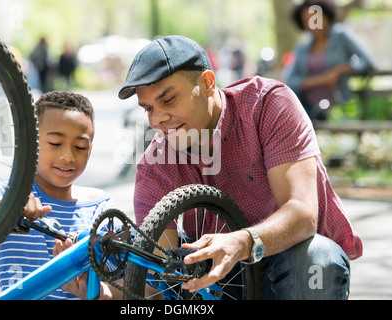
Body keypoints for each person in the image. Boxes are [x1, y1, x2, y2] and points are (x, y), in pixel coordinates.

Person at [118, 35, 362, 299]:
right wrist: (102, 292)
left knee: (318, 258)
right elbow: (160, 278)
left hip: (295, 262)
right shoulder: (155, 163)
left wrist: (243, 242)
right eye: (148, 108)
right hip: (222, 280)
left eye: (168, 100)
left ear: (208, 83)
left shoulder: (268, 104)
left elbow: (303, 213)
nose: (157, 120)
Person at [0, 91, 118, 300]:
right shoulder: (10, 194)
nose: (68, 156)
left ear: (90, 150)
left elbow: (129, 287)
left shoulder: (100, 208)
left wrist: (99, 294)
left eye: (80, 147)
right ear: (31, 144)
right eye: (55, 143)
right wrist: (7, 208)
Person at [283, 0, 375, 121]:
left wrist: (342, 69)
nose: (313, 23)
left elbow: (367, 61)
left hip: (337, 106)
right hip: (305, 108)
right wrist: (323, 80)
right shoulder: (302, 48)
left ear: (326, 15)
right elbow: (289, 80)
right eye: (307, 21)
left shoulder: (341, 35)